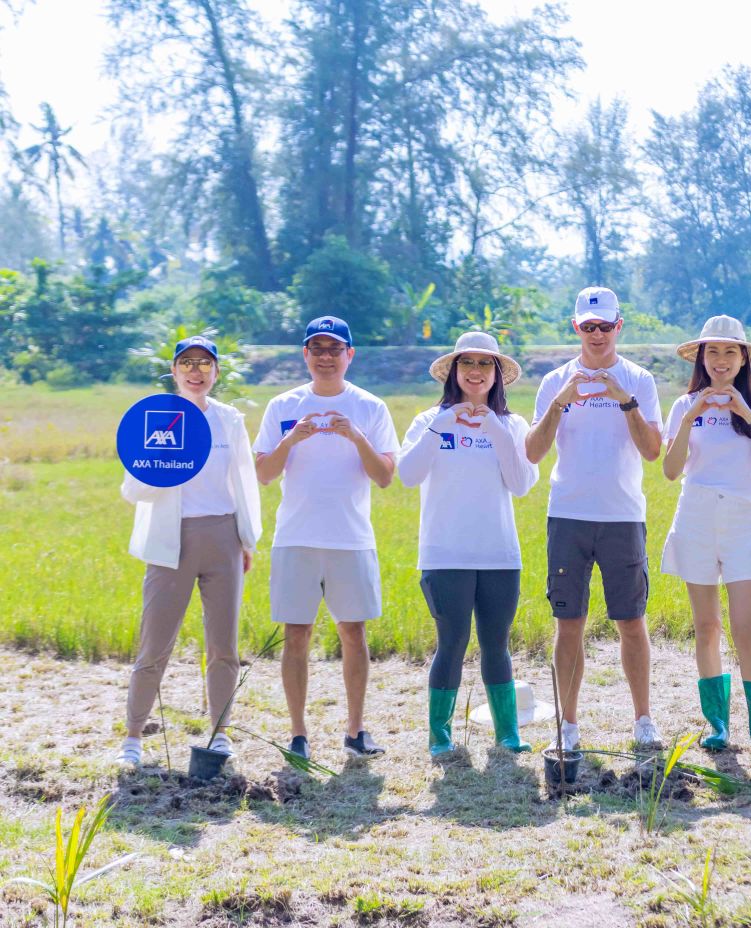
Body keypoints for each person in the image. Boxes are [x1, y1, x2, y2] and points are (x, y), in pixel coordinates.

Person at [252, 316, 399, 760]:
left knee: (353, 632)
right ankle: (298, 734)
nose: (326, 357)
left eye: (335, 349)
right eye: (317, 349)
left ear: (350, 355)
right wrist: (291, 440)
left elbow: (385, 477)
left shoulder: (370, 407)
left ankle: (355, 730)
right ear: (306, 355)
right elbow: (263, 473)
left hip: (351, 537)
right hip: (295, 536)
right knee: (296, 634)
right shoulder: (283, 405)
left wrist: (355, 436)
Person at [525, 287, 664, 751]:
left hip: (623, 516)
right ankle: (567, 726)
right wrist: (560, 403)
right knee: (569, 622)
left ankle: (643, 719)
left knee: (631, 621)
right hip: (568, 514)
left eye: (605, 326)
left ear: (619, 326)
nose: (597, 334)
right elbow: (533, 452)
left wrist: (626, 401)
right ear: (576, 327)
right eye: (589, 326)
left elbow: (652, 450)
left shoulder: (639, 379)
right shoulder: (555, 381)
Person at [116, 335, 262, 766]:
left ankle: (219, 735)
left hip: (222, 538)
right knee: (154, 646)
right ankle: (132, 739)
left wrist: (246, 539)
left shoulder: (229, 419)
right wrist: (164, 464)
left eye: (204, 363)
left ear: (216, 372)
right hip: (170, 541)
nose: (195, 371)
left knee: (224, 647)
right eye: (186, 363)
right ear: (174, 371)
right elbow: (131, 490)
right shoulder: (156, 417)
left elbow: (243, 483)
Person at [398, 332, 539, 756]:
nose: (475, 372)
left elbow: (521, 484)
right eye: (467, 363)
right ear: (454, 371)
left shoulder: (512, 425)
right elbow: (407, 475)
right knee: (452, 641)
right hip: (445, 554)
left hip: (499, 555)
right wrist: (440, 427)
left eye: (484, 364)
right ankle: (440, 734)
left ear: (497, 374)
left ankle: (507, 732)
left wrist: (494, 429)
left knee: (497, 644)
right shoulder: (428, 420)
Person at [660, 315, 751, 755]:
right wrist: (691, 416)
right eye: (712, 351)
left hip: (742, 518)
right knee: (706, 626)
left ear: (744, 358)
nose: (721, 360)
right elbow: (670, 470)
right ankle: (717, 722)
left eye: (730, 351)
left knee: (744, 626)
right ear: (701, 358)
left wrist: (745, 415)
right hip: (695, 514)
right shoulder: (685, 405)